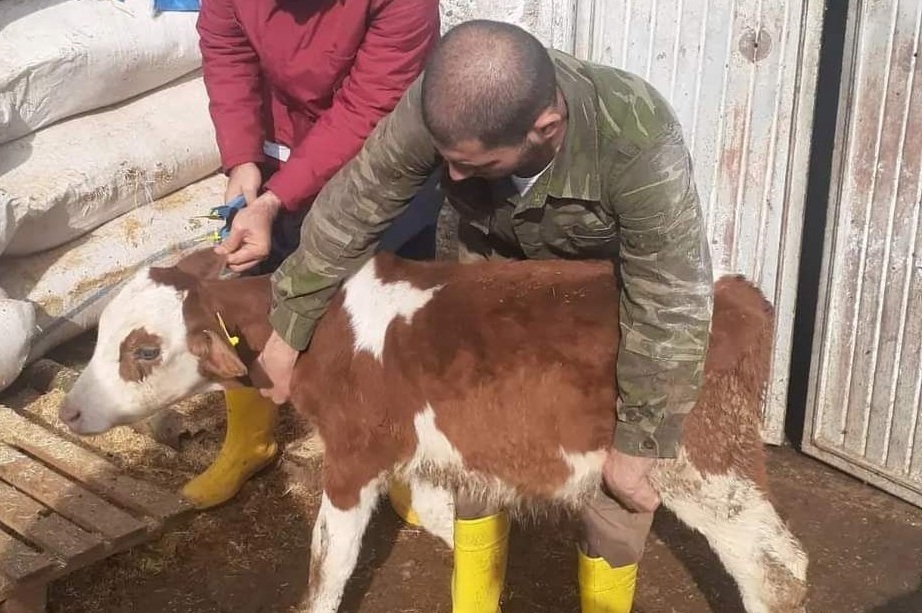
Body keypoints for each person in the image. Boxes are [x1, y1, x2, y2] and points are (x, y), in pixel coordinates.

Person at [254, 19, 714, 613]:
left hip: (597, 302)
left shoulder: (636, 136)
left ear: (545, 129)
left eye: (476, 165)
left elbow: (671, 293)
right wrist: (288, 326)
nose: (453, 177)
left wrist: (642, 438)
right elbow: (355, 204)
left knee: (617, 472)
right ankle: (475, 600)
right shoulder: (442, 105)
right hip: (488, 268)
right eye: (447, 160)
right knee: (471, 430)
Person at [185, 0, 443, 511]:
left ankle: (399, 450)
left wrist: (277, 198)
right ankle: (249, 441)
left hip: (384, 153)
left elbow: (367, 107)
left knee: (384, 310)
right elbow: (227, 52)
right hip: (280, 142)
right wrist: (241, 159)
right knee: (244, 294)